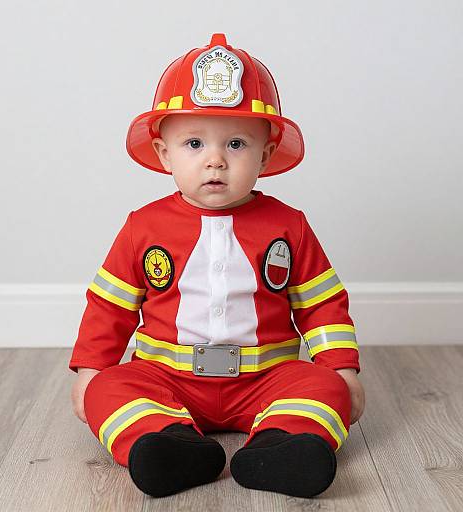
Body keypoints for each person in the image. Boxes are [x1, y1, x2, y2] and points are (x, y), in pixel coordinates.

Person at [69, 33, 365, 499]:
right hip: (167, 379)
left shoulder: (289, 226)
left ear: (265, 155)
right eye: (192, 142)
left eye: (235, 143)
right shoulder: (142, 227)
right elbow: (110, 306)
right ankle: (168, 444)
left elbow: (322, 305)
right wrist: (90, 370)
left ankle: (278, 446)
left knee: (324, 387)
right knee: (109, 389)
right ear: (164, 154)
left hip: (265, 378)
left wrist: (341, 368)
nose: (215, 160)